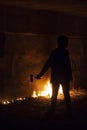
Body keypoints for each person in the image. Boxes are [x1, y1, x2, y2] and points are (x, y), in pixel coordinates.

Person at [36, 35, 73, 116]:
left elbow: (48, 64)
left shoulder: (54, 53)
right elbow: (68, 65)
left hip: (56, 77)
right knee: (66, 94)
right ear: (63, 43)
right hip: (64, 77)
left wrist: (40, 74)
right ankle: (68, 111)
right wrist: (70, 75)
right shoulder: (65, 52)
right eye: (66, 42)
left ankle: (53, 110)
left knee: (55, 94)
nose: (67, 44)